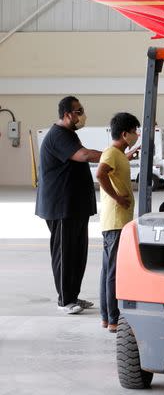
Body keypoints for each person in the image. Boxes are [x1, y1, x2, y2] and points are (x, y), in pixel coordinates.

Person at [35, 96, 102, 314]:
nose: (82, 114)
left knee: (77, 254)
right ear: (67, 115)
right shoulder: (58, 135)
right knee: (65, 254)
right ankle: (64, 301)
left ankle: (73, 296)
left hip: (74, 206)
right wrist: (114, 155)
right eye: (78, 111)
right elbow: (83, 155)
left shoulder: (69, 134)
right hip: (61, 207)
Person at [96, 112, 140, 332]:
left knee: (107, 270)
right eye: (134, 131)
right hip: (116, 221)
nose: (137, 134)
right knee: (114, 271)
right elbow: (101, 174)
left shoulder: (119, 153)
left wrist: (129, 155)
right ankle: (114, 318)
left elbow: (115, 167)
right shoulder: (111, 153)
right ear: (125, 134)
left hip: (114, 221)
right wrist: (117, 197)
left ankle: (106, 317)